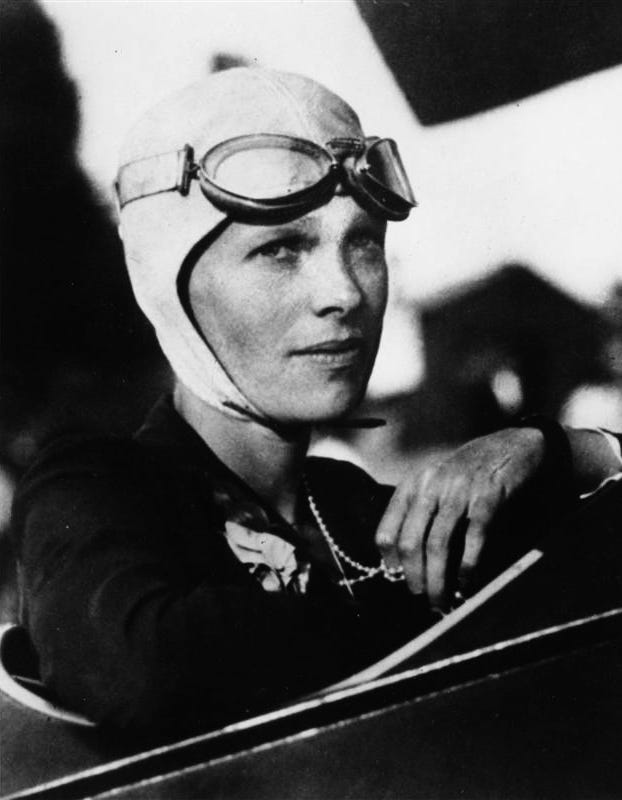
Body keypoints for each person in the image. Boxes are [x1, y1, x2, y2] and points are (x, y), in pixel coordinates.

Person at [10, 67, 433, 738]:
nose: (345, 293)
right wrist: (419, 606)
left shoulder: (354, 508)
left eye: (363, 243)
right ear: (172, 286)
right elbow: (138, 669)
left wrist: (558, 449)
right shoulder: (92, 489)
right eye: (281, 249)